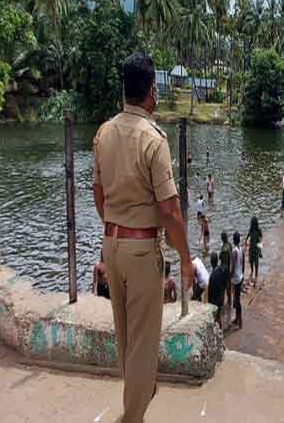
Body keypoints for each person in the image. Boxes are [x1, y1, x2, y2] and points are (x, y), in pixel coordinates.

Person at [93, 51, 192, 423]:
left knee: (126, 339)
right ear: (152, 90)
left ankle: (137, 402)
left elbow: (99, 197)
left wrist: (115, 228)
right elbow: (170, 212)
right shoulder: (154, 139)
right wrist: (184, 257)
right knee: (144, 347)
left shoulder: (103, 133)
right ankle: (132, 417)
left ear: (124, 89)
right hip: (139, 252)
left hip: (111, 245)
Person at [207, 251, 227, 328]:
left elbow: (210, 292)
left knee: (215, 318)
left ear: (211, 262)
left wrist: (209, 303)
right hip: (221, 297)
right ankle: (220, 330)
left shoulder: (212, 275)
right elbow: (225, 282)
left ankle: (218, 332)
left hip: (215, 300)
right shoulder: (222, 269)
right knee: (218, 316)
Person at [231, 231, 245, 328]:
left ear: (233, 240)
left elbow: (233, 266)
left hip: (236, 279)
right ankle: (237, 319)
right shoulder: (241, 249)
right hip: (240, 277)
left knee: (237, 300)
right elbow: (243, 263)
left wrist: (230, 277)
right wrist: (242, 273)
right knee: (236, 299)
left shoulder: (234, 251)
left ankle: (240, 322)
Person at [245, 216, 262, 286]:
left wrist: (260, 250)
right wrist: (246, 241)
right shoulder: (251, 230)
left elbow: (260, 239)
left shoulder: (258, 230)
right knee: (252, 260)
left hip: (255, 248)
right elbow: (247, 236)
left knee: (255, 261)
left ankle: (256, 275)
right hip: (252, 248)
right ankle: (252, 272)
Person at [219, 231, 233, 307]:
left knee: (225, 286)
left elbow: (220, 257)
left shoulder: (224, 247)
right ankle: (229, 300)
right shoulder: (229, 245)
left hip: (224, 269)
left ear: (222, 239)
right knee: (228, 285)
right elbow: (231, 258)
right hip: (227, 269)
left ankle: (228, 300)